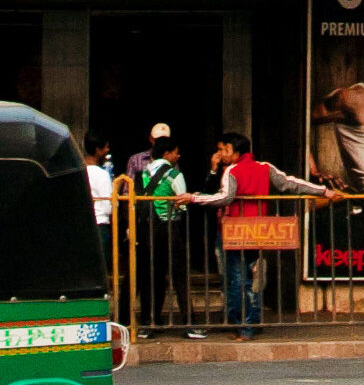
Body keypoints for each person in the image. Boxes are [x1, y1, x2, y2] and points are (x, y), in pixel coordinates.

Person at [191, 133, 326, 341]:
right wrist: (322, 191)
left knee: (237, 279)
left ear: (236, 153)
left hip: (234, 231)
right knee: (254, 279)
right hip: (258, 231)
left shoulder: (232, 170)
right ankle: (252, 322)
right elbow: (289, 183)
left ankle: (243, 326)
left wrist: (193, 198)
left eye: (225, 150)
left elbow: (226, 197)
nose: (222, 154)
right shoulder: (265, 167)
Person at [130, 131, 191, 331]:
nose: (177, 156)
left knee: (152, 276)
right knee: (180, 276)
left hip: (147, 231)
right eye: (176, 153)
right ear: (167, 154)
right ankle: (188, 323)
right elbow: (182, 204)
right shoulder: (174, 174)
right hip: (169, 228)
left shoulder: (142, 174)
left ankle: (149, 321)